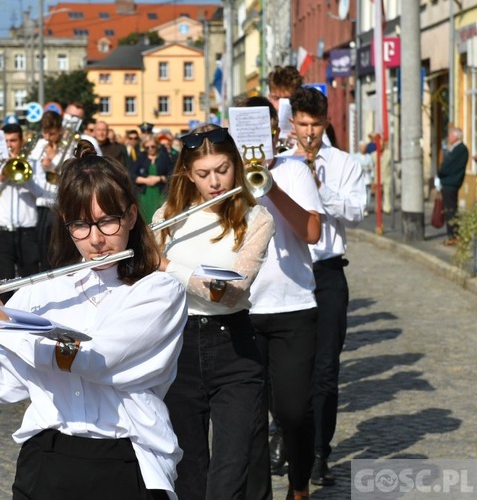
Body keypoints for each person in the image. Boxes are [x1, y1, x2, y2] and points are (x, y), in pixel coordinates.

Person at [0, 140, 187, 499]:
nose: (97, 240)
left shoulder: (159, 291)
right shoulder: (44, 291)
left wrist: (3, 322)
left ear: (131, 216)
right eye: (81, 226)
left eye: (108, 222)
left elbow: (95, 358)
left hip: (124, 459)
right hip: (45, 457)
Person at [154, 125, 274, 499]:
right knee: (188, 472)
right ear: (188, 175)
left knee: (230, 471)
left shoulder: (257, 219)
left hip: (233, 347)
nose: (215, 182)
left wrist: (167, 265)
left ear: (236, 166)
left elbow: (231, 292)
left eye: (222, 170)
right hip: (179, 345)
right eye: (203, 174)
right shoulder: (167, 217)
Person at [241, 96, 323, 500]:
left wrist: (269, 187)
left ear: (276, 131)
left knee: (293, 412)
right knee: (251, 417)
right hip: (244, 309)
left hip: (293, 307)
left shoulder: (295, 169)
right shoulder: (225, 175)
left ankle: (299, 484)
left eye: (265, 130)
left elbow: (311, 232)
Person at [286, 87, 365, 490]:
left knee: (326, 371)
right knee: (286, 369)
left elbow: (356, 209)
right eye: (303, 124)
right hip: (289, 273)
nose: (310, 132)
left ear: (326, 123)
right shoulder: (279, 161)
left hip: (329, 273)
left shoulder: (344, 163)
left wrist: (319, 185)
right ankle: (289, 443)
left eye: (316, 125)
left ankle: (320, 454)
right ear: (292, 122)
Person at [0, 124, 49, 303]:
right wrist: (0, 178)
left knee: (31, 285)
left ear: (21, 142)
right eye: (6, 141)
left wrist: (24, 176)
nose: (10, 145)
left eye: (14, 140)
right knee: (4, 287)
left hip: (27, 233)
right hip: (0, 233)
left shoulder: (32, 164)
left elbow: (40, 193)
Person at [31, 111, 63, 270]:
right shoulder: (38, 146)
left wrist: (54, 158)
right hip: (40, 203)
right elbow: (29, 171)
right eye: (45, 133)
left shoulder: (66, 147)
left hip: (58, 204)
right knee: (41, 248)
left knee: (57, 249)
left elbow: (69, 170)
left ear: (59, 131)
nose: (48, 137)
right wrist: (41, 165)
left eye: (52, 133)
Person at [438, 126, 469, 246]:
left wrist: (440, 172)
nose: (449, 137)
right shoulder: (454, 148)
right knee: (449, 210)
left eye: (451, 135)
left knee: (451, 210)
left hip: (451, 183)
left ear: (456, 137)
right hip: (448, 182)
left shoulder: (460, 149)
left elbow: (447, 166)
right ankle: (452, 235)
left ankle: (454, 236)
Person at [131, 137, 172, 224]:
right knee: (145, 218)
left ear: (157, 145)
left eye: (153, 146)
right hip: (145, 194)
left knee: (159, 217)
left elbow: (171, 174)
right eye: (147, 147)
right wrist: (145, 180)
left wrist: (159, 178)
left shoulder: (164, 157)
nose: (150, 149)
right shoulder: (141, 157)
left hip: (160, 192)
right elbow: (131, 174)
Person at [353, 141, 374, 216]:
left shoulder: (369, 157)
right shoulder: (355, 156)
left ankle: (366, 208)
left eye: (365, 148)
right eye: (362, 147)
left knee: (367, 194)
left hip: (367, 178)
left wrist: (372, 177)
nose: (363, 149)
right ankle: (360, 208)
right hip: (359, 178)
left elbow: (372, 168)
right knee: (359, 193)